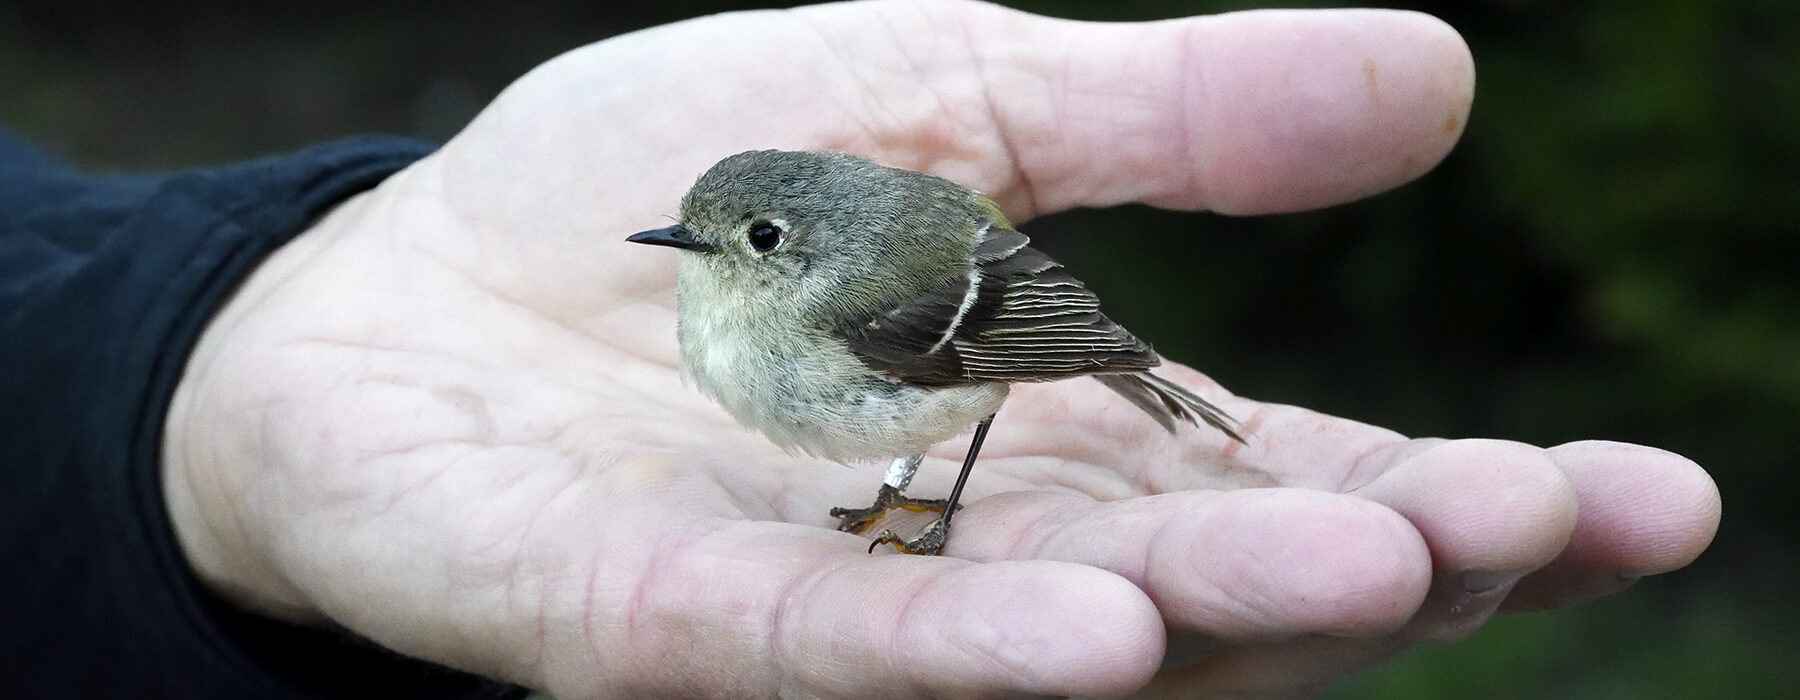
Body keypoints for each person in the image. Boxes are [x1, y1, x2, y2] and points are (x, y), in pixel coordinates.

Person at [1, 1, 1721, 697]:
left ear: (798, 247)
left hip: (985, 331)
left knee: (951, 445)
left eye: (742, 241)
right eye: (707, 232)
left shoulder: (857, 295)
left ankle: (920, 500)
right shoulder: (736, 292)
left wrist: (1082, 376)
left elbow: (998, 310)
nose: (708, 258)